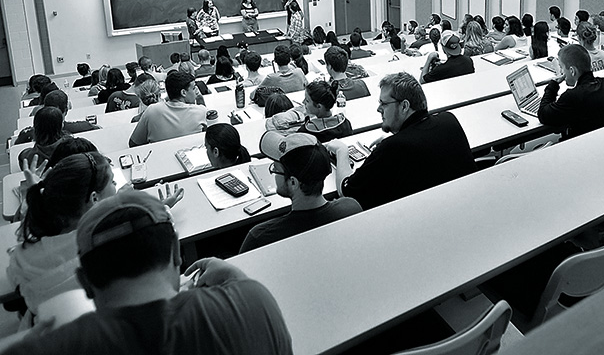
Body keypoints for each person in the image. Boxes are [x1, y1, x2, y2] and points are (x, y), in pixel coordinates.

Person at [3, 191, 293, 355]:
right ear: (178, 256)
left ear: (85, 283)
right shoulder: (254, 302)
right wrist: (240, 282)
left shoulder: (51, 349)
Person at [325, 72, 475, 210]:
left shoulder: (393, 147)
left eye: (384, 103)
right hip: (465, 205)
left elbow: (347, 192)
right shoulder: (448, 119)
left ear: (404, 106)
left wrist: (341, 151)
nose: (379, 109)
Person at [7, 153, 117, 323]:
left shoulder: (21, 258)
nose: (116, 185)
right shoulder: (110, 245)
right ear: (95, 199)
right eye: (113, 182)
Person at [239, 132, 362, 253]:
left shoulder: (260, 238)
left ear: (293, 182)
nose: (274, 174)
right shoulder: (351, 208)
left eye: (275, 169)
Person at [538, 44, 604, 139]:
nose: (562, 72)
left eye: (562, 67)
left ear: (572, 71)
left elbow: (543, 114)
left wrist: (553, 85)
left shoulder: (572, 97)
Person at [129, 71, 208, 146]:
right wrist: (200, 99)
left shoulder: (152, 110)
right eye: (194, 88)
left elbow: (134, 143)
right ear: (183, 92)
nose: (197, 91)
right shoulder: (201, 111)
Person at [16, 90, 101, 145]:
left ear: (44, 107)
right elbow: (99, 129)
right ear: (66, 110)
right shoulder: (84, 127)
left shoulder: (26, 134)